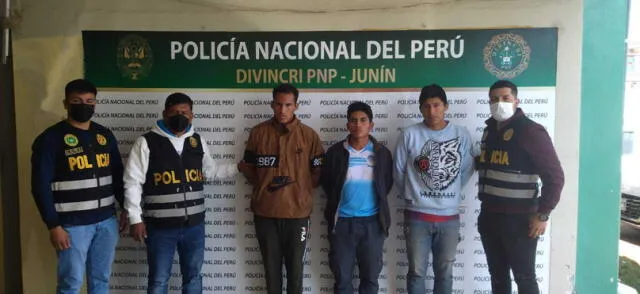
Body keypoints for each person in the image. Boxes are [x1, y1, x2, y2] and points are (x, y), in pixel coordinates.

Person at [123, 92, 239, 294]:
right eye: (174, 112)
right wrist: (135, 218)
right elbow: (133, 181)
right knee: (159, 280)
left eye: (184, 112)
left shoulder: (197, 141)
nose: (180, 116)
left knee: (193, 278)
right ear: (164, 114)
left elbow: (209, 172)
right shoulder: (146, 142)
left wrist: (238, 168)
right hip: (160, 227)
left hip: (194, 226)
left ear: (192, 115)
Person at [31, 79, 127, 294]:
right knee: (71, 283)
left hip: (106, 222)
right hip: (72, 226)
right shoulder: (50, 139)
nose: (84, 105)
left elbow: (117, 175)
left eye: (89, 101)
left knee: (101, 280)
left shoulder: (104, 135)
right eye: (77, 101)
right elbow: (40, 186)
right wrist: (53, 225)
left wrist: (125, 207)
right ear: (66, 103)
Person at [476, 80, 564, 294]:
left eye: (505, 98)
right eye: (494, 99)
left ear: (516, 100)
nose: (499, 103)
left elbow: (555, 177)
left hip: (520, 221)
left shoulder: (531, 131)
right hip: (490, 217)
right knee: (498, 278)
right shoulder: (489, 131)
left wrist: (543, 214)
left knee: (524, 279)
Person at [238, 83, 325, 294]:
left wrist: (300, 190)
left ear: (296, 106)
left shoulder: (309, 135)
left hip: (298, 216)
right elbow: (249, 170)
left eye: (288, 105)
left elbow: (318, 173)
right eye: (278, 104)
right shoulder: (258, 133)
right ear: (272, 104)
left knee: (296, 273)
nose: (282, 110)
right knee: (271, 273)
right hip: (265, 214)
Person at [394, 84, 475, 294]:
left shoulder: (461, 134)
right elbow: (398, 171)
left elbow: (465, 170)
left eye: (437, 105)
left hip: (449, 218)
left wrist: (449, 191)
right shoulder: (409, 134)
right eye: (427, 106)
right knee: (416, 272)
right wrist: (414, 195)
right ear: (420, 108)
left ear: (446, 106)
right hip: (417, 216)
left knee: (445, 273)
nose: (432, 111)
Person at [320, 101, 393, 294]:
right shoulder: (335, 153)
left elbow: (386, 184)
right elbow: (328, 184)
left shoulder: (382, 153)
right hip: (342, 223)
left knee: (370, 279)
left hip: (373, 224)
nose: (358, 124)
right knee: (342, 280)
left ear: (371, 125)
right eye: (353, 120)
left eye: (363, 120)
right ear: (347, 125)